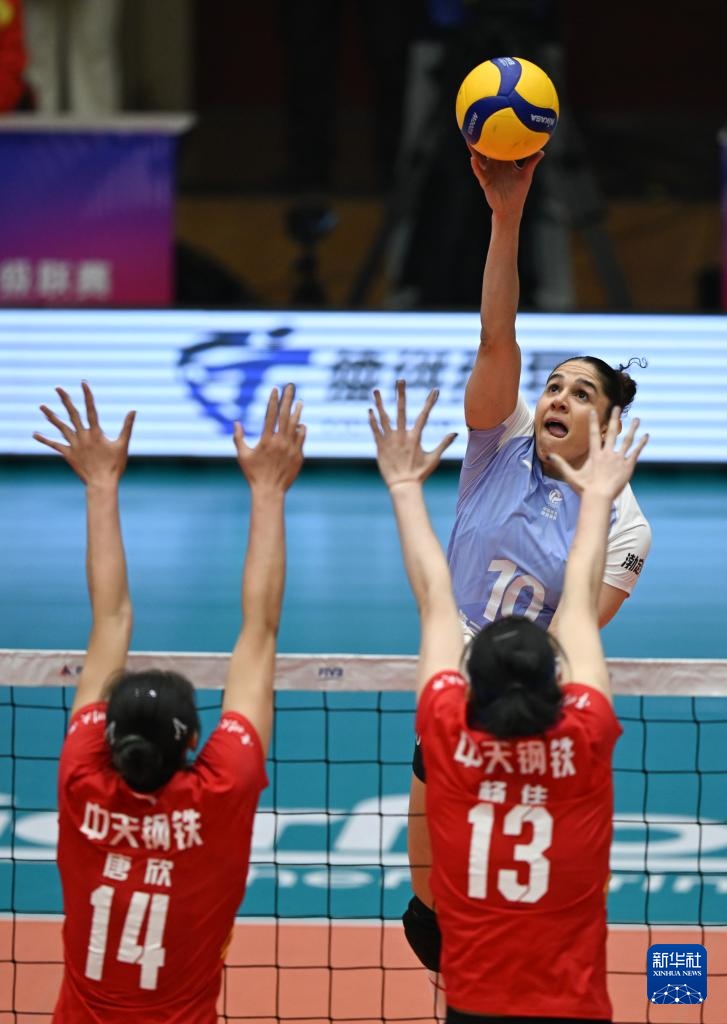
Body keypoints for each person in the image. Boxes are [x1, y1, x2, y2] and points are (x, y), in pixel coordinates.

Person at [405, 150, 652, 950]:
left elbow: (575, 634)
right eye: (553, 385)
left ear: (605, 424)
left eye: (580, 394)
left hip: (534, 705)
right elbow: (495, 336)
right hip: (451, 688)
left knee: (525, 908)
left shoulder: (623, 524)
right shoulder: (498, 440)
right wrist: (504, 217)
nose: (557, 398)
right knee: (430, 921)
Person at [370, 379, 648, 1024]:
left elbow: (437, 601)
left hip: (474, 997)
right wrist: (597, 502)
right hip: (570, 1006)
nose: (558, 399)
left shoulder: (449, 732)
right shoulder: (584, 741)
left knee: (428, 926)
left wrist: (405, 486)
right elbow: (575, 614)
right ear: (557, 677)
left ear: (470, 680)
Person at [33, 380, 305, 1023]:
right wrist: (268, 492)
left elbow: (110, 621)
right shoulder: (220, 789)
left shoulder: (81, 779)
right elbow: (259, 632)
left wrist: (101, 484)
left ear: (106, 736)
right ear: (193, 743)